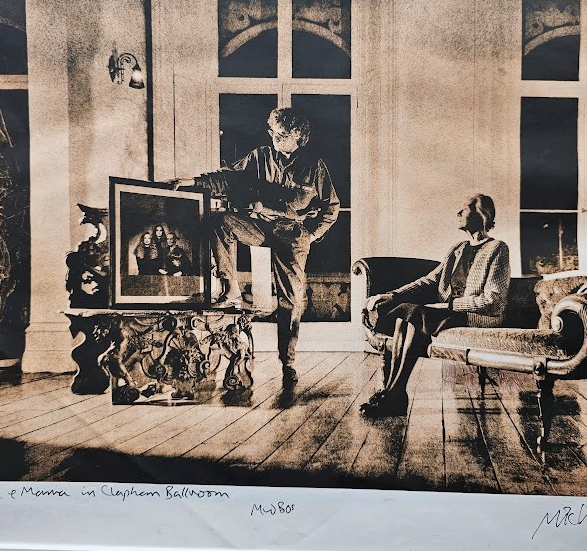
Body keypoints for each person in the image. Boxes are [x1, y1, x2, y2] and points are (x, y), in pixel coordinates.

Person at [171, 107, 340, 389]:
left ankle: (288, 362)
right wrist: (191, 182)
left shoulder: (314, 165)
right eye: (273, 132)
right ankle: (231, 290)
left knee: (291, 299)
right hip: (259, 227)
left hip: (292, 234)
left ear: (298, 135)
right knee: (220, 222)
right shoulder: (260, 156)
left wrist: (311, 235)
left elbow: (331, 209)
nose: (275, 139)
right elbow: (228, 177)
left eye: (282, 135)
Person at [359, 194, 511, 417]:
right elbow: (430, 280)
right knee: (405, 315)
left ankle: (396, 394)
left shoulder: (498, 248)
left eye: (465, 208)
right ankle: (392, 392)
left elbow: (493, 301)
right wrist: (392, 295)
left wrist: (450, 306)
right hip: (447, 313)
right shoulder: (458, 248)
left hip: (473, 315)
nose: (458, 213)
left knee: (414, 315)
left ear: (482, 214)